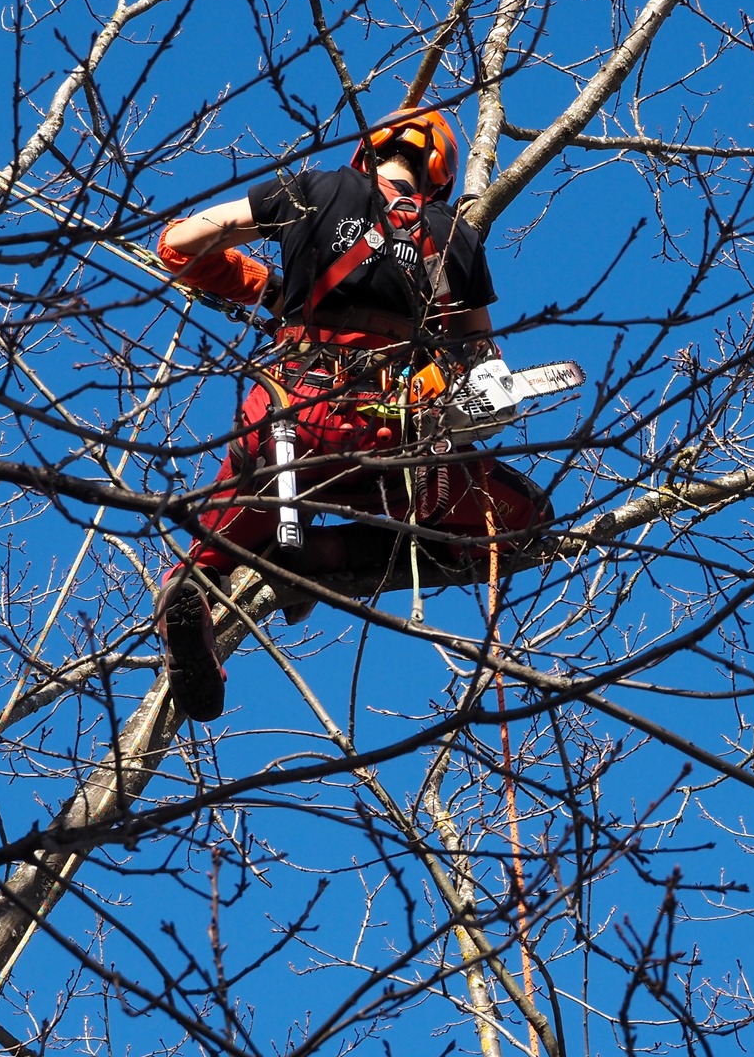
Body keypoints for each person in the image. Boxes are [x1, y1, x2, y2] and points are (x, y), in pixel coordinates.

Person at [151, 108, 552, 721]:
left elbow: (179, 247)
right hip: (396, 445)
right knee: (521, 521)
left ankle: (197, 602)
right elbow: (481, 357)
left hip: (288, 425)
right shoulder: (452, 236)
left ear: (367, 151)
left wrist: (265, 286)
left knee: (206, 561)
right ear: (440, 174)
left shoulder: (311, 189)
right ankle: (318, 557)